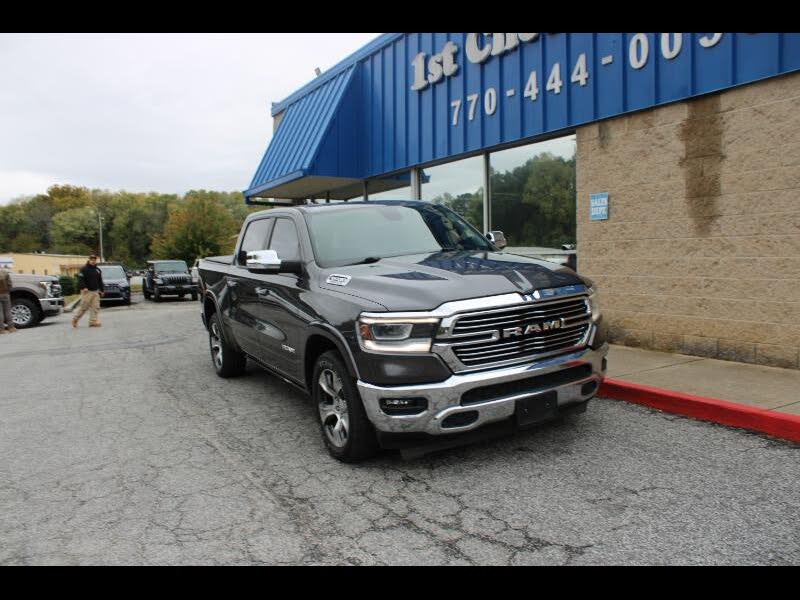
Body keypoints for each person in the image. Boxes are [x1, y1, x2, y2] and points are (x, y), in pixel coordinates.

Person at [72, 255, 105, 328]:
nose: (93, 261)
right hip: (87, 291)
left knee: (95, 307)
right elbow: (80, 279)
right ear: (89, 260)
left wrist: (102, 290)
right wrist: (83, 287)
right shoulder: (84, 269)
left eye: (94, 260)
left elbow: (100, 281)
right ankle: (75, 319)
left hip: (95, 291)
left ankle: (93, 322)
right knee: (84, 307)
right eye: (91, 260)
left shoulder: (97, 270)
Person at [0, 266, 15, 334]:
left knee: (0, 313)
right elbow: (10, 284)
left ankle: (1, 330)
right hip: (5, 294)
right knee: (8, 311)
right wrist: (8, 291)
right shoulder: (5, 273)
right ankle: (11, 328)